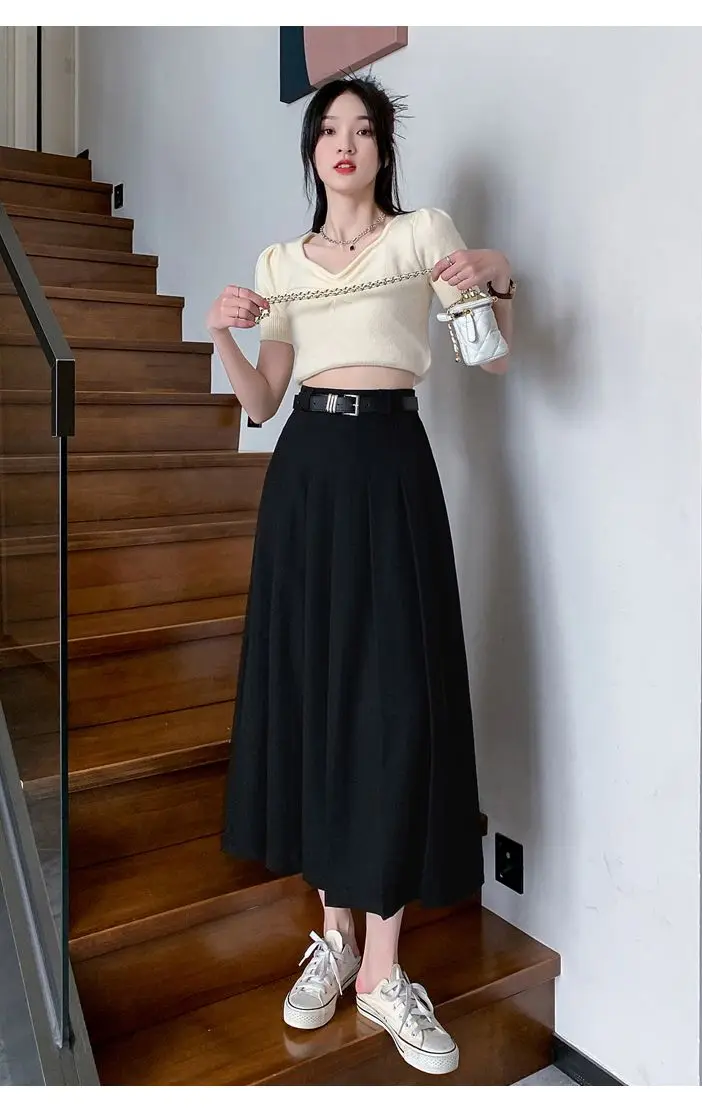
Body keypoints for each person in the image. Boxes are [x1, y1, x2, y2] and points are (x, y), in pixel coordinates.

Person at [207, 73, 514, 1077]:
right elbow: (263, 400)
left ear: (383, 150)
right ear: (313, 152)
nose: (346, 142)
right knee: (320, 695)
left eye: (365, 129)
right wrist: (221, 334)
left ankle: (383, 969)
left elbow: (489, 358)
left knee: (396, 705)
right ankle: (335, 939)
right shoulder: (279, 263)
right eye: (330, 128)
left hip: (392, 470)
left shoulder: (425, 235)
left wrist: (499, 274)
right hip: (306, 476)